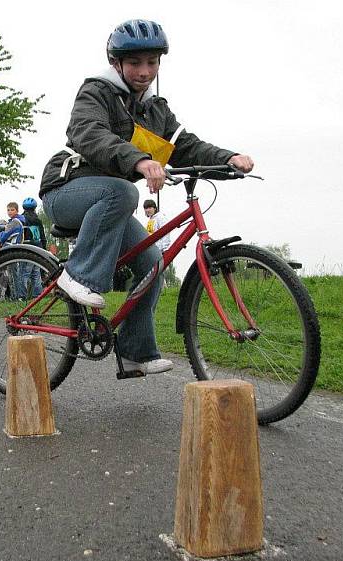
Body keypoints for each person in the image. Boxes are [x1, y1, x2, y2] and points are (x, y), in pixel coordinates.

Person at [38, 19, 254, 375]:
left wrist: (228, 158)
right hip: (67, 192)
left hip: (109, 205)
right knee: (123, 190)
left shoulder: (155, 109)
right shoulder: (96, 92)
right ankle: (79, 276)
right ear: (116, 62)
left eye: (152, 62)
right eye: (135, 63)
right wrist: (138, 160)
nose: (145, 71)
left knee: (152, 261)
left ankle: (136, 351)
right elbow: (88, 133)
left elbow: (185, 146)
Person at [0, 202, 27, 299]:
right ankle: (17, 296)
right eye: (8, 210)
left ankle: (15, 296)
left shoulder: (15, 222)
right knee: (15, 273)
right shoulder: (18, 221)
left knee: (12, 275)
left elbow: (5, 235)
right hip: (15, 248)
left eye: (12, 210)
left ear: (17, 211)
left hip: (11, 249)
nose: (10, 212)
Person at [20, 197, 46, 298]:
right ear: (34, 208)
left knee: (25, 273)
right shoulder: (37, 220)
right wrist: (44, 248)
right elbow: (42, 236)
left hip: (27, 248)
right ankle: (38, 295)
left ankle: (23, 295)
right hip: (38, 248)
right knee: (36, 273)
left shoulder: (21, 219)